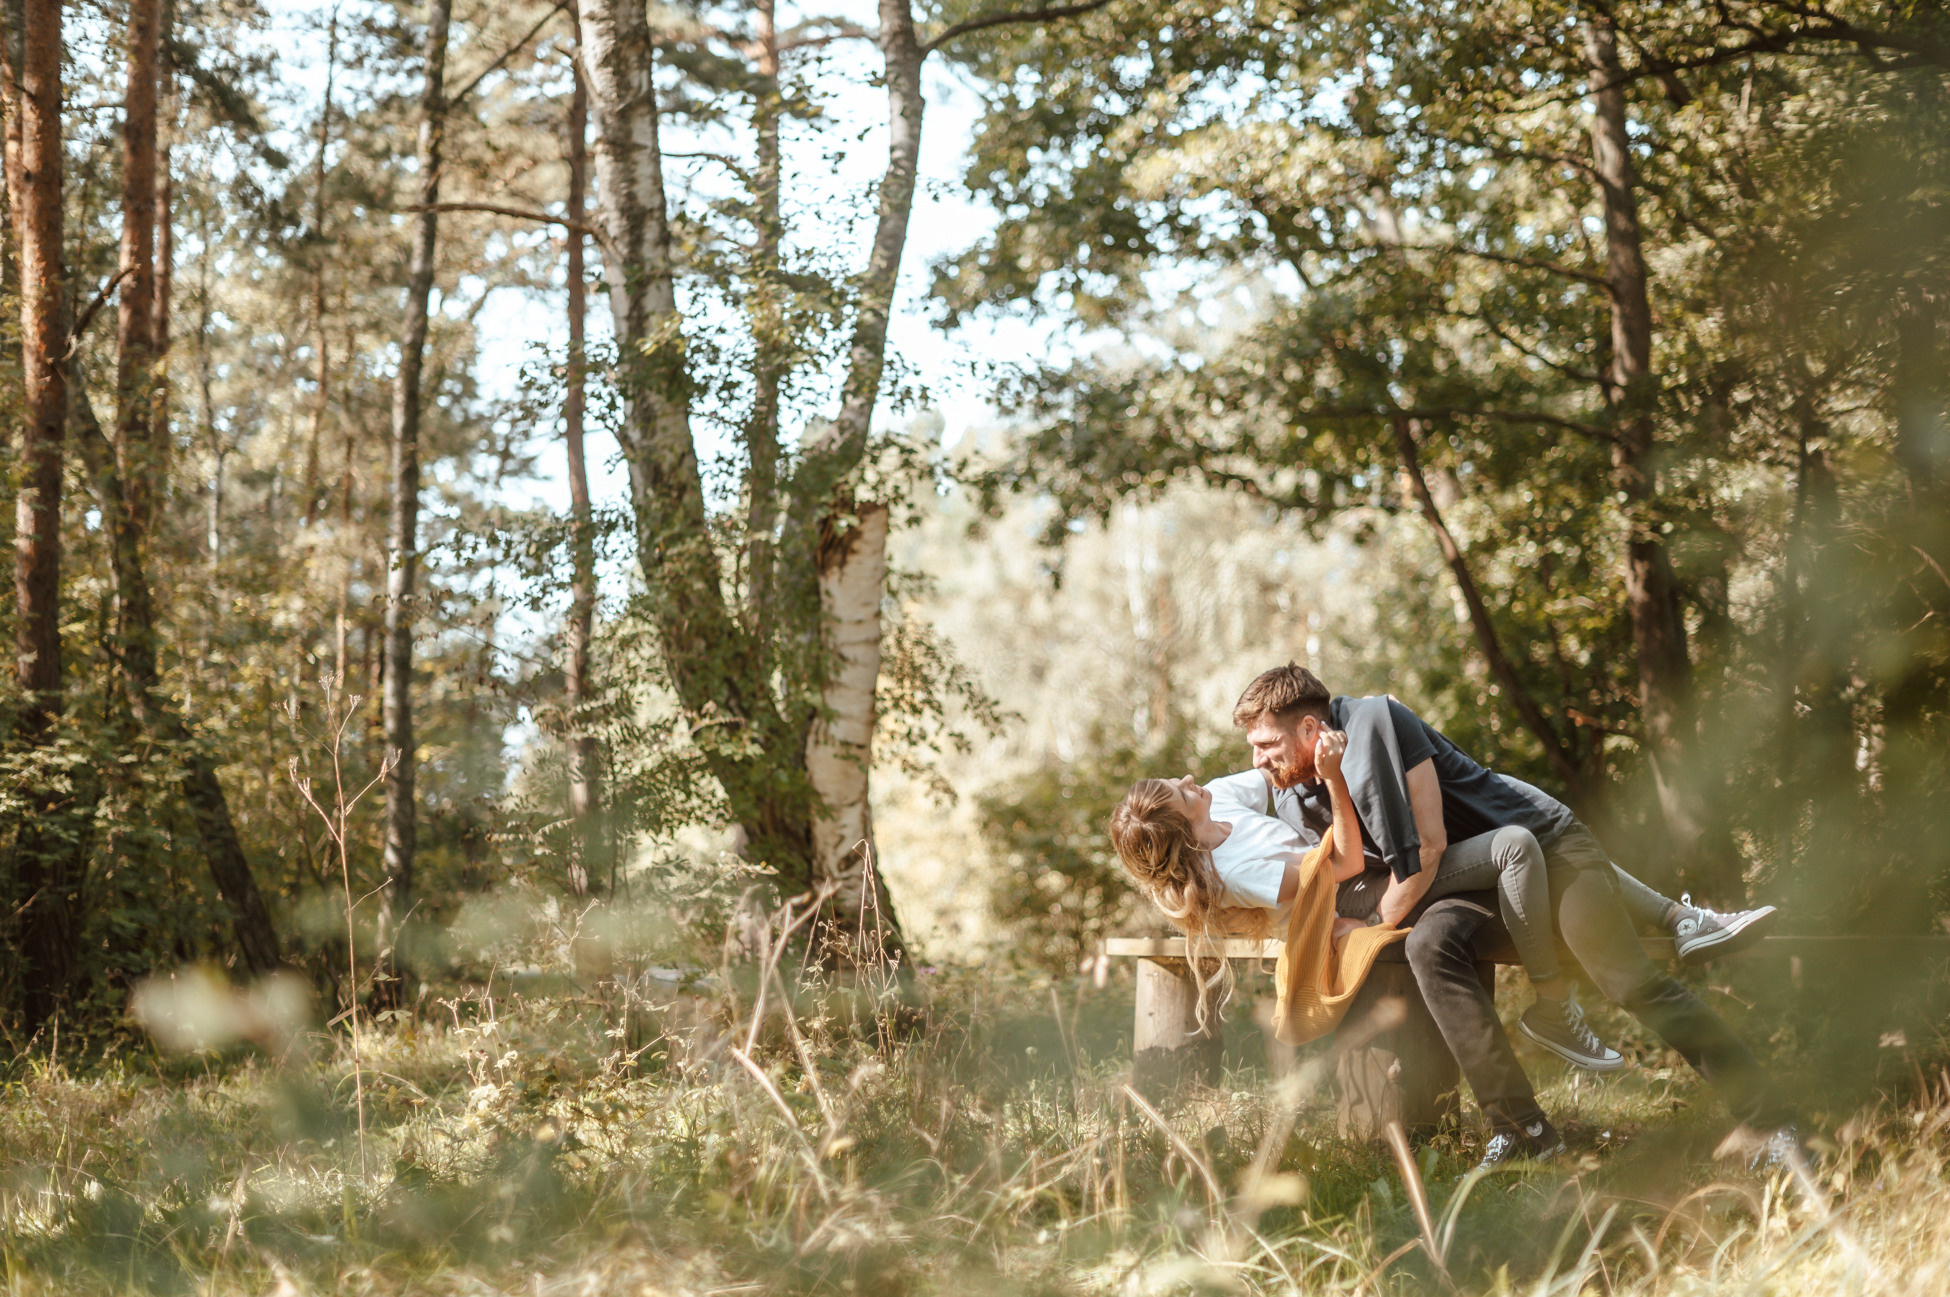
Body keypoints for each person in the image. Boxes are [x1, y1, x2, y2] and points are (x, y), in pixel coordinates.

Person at [1231, 663, 1793, 1163]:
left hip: (1547, 850)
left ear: (1310, 730)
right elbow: (1313, 861)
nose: (1259, 761)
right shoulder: (1297, 790)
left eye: (1267, 745)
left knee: (1625, 978)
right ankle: (1523, 1130)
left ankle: (1771, 1120)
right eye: (1254, 748)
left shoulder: (1380, 725)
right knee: (1432, 946)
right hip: (1473, 879)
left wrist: (1374, 922)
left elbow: (1426, 849)